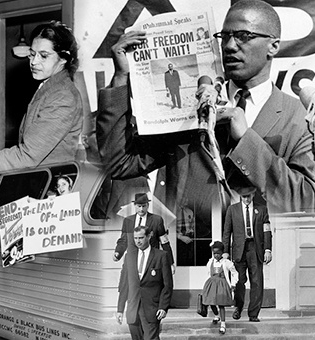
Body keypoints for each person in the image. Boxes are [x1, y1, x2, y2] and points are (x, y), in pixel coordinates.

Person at [97, 0, 314, 220]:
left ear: (273, 46)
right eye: (225, 36)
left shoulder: (297, 117)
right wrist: (121, 76)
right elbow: (120, 164)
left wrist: (247, 141)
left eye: (243, 36)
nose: (230, 46)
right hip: (187, 248)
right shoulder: (190, 105)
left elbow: (306, 201)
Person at [0, 21, 80, 173]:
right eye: (32, 54)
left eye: (43, 56)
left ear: (63, 59)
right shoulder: (50, 88)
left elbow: (26, 156)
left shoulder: (63, 96)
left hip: (51, 186)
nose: (34, 62)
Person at [222, 187, 271, 322]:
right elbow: (227, 232)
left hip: (255, 249)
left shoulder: (262, 209)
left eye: (249, 196)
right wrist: (225, 251)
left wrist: (268, 249)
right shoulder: (232, 210)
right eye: (244, 197)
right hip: (239, 250)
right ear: (240, 196)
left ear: (253, 194)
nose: (247, 199)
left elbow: (267, 231)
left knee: (257, 282)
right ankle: (238, 307)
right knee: (239, 281)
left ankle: (253, 313)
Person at [116, 226, 172, 340]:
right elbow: (124, 285)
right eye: (135, 238)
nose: (138, 241)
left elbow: (167, 285)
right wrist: (120, 309)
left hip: (152, 308)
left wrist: (163, 307)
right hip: (133, 308)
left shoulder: (161, 256)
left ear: (149, 236)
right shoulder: (129, 257)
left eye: (141, 237)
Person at [113, 194, 173, 268]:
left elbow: (164, 242)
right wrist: (118, 253)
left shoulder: (157, 220)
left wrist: (170, 262)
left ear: (148, 205)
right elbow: (123, 240)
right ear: (134, 206)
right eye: (139, 206)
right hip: (133, 261)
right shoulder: (128, 221)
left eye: (144, 206)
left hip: (151, 261)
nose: (141, 209)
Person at [198, 241, 237, 334]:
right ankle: (216, 315)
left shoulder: (226, 262)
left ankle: (223, 324)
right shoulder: (210, 262)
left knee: (221, 304)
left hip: (222, 285)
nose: (216, 255)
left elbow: (235, 273)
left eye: (218, 253)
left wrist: (233, 284)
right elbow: (208, 273)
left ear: (222, 253)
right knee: (211, 301)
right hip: (212, 284)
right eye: (214, 253)